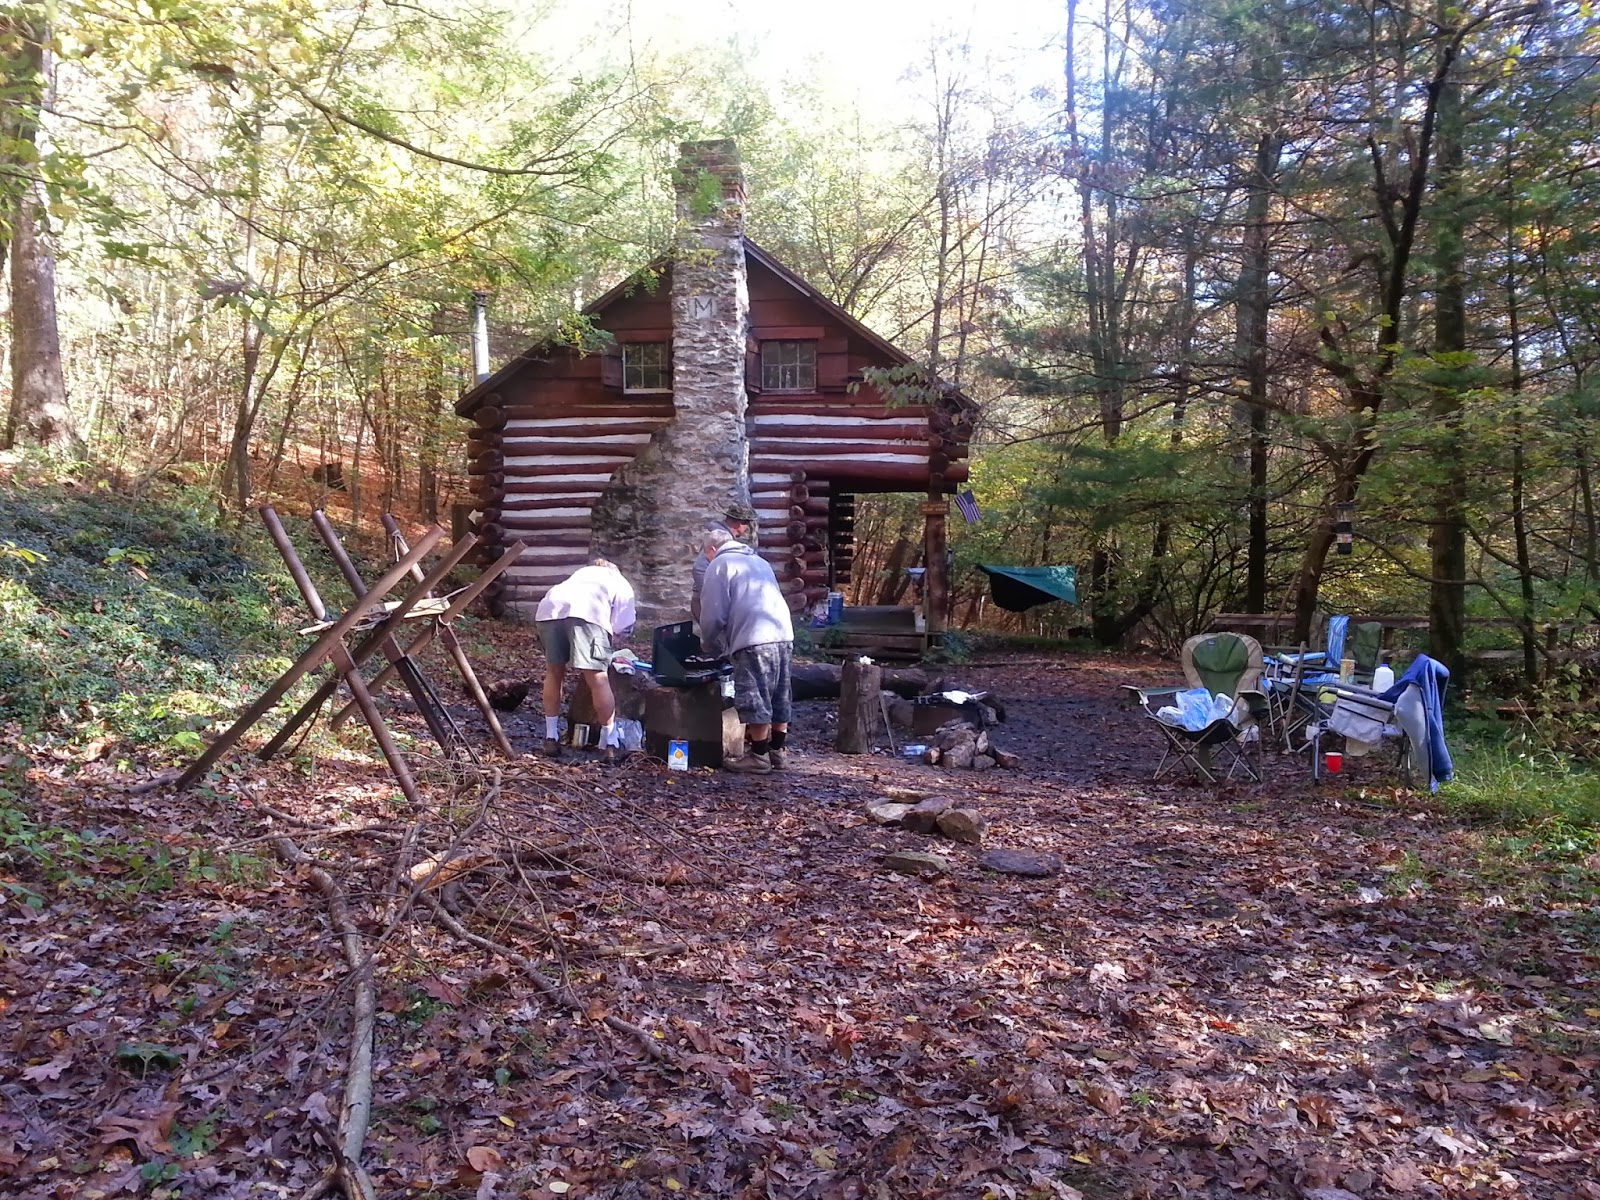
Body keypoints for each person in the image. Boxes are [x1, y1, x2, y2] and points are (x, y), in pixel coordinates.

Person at [698, 526, 794, 774]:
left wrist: (707, 644)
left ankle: (759, 757)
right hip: (783, 633)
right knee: (779, 693)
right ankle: (777, 752)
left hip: (754, 637)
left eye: (706, 554)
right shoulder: (759, 561)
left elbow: (713, 613)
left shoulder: (719, 564)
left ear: (712, 549)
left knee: (755, 695)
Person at [535, 556, 636, 765]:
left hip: (548, 611)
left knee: (554, 672)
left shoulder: (579, 575)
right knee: (598, 678)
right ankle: (611, 743)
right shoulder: (618, 580)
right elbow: (623, 623)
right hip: (587, 614)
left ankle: (551, 738)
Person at [691, 501, 757, 624]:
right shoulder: (720, 539)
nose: (747, 528)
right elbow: (699, 568)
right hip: (707, 604)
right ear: (739, 523)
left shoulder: (722, 536)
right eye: (747, 523)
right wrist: (712, 598)